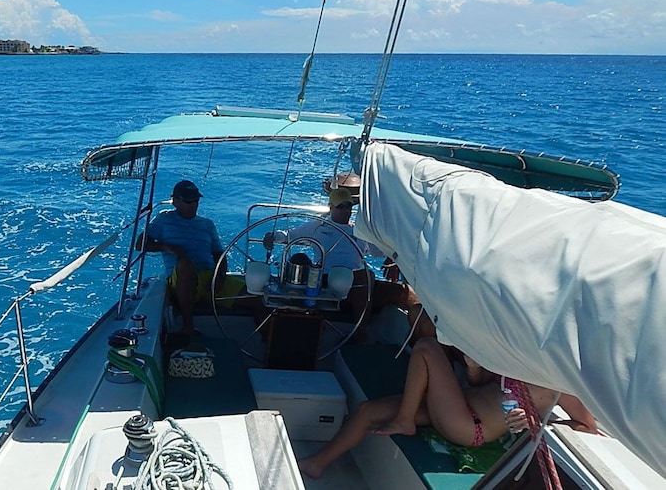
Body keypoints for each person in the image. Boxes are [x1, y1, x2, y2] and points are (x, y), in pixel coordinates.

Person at [297, 337, 599, 479]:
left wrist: (539, 425)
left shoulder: (559, 384)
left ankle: (405, 420)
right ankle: (317, 464)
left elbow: (588, 427)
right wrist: (472, 369)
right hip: (456, 406)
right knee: (366, 411)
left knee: (428, 348)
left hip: (469, 427)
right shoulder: (518, 360)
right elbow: (482, 387)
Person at [263, 177, 418, 330]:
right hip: (327, 283)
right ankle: (360, 333)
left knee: (408, 294)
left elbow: (379, 251)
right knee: (365, 276)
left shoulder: (361, 230)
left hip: (356, 284)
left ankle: (423, 342)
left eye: (348, 206)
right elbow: (289, 236)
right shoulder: (317, 227)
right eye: (340, 206)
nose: (346, 210)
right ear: (330, 207)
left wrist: (392, 257)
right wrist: (272, 236)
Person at [139, 180, 242, 336]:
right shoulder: (164, 219)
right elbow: (140, 244)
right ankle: (188, 327)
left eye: (196, 200)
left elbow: (219, 254)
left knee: (258, 298)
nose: (194, 204)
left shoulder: (207, 224)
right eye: (189, 201)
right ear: (175, 201)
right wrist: (168, 247)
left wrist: (219, 277)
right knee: (186, 265)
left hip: (209, 279)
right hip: (181, 279)